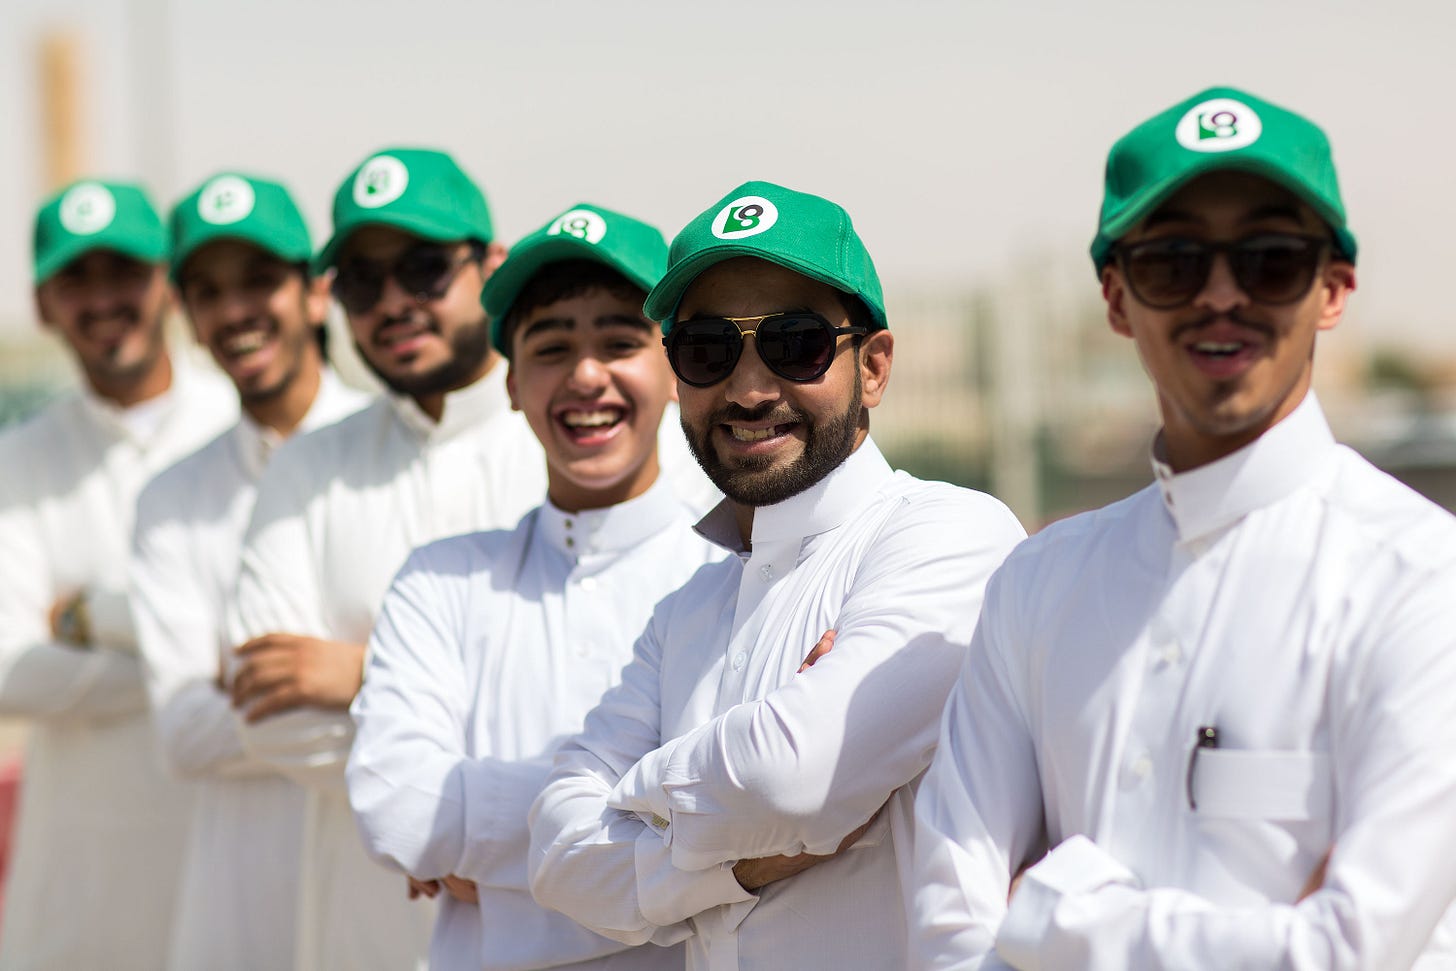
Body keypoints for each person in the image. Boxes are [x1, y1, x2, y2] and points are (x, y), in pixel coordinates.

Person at [909, 86, 1456, 970]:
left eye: (1271, 260)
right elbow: (944, 934)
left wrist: (1057, 918)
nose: (1222, 294)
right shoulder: (1038, 586)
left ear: (1333, 290)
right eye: (1175, 262)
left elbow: (1348, 951)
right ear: (1118, 299)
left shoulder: (1421, 580)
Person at [529, 181, 1026, 970]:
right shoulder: (688, 610)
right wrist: (734, 867)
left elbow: (793, 775)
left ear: (874, 366)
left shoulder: (950, 535)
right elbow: (557, 854)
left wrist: (634, 801)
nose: (750, 389)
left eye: (796, 343)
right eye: (708, 349)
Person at [347, 202, 714, 971]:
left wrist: (475, 833)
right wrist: (655, 816)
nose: (586, 375)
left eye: (619, 342)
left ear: (675, 367)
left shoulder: (729, 571)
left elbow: (751, 805)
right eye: (551, 347)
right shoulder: (441, 582)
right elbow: (395, 805)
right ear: (512, 383)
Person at [219, 146, 539, 971]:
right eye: (363, 281)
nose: (393, 301)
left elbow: (618, 691)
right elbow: (273, 716)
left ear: (492, 265)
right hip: (369, 930)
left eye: (424, 268)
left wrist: (364, 674)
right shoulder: (307, 468)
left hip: (564, 915)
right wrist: (499, 774)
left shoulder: (576, 442)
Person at [130, 172, 369, 971]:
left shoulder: (394, 454)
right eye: (209, 291)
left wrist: (343, 674)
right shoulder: (172, 498)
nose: (235, 311)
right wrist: (361, 684)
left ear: (314, 292)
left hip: (383, 887)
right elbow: (184, 735)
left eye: (259, 280)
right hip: (238, 900)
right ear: (187, 315)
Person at [0, 179, 236, 968]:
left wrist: (89, 618)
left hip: (232, 852)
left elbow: (275, 635)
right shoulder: (17, 460)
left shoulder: (243, 426)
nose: (103, 299)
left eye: (124, 272)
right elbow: (10, 673)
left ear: (167, 283)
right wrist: (205, 659)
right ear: (43, 303)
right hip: (81, 888)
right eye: (77, 279)